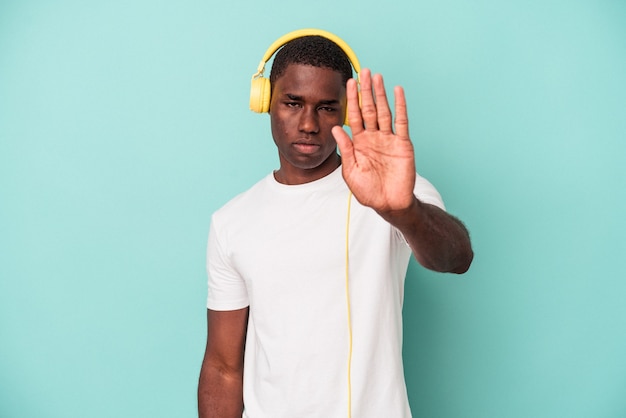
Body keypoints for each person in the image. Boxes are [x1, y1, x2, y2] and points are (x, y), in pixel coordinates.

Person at [198, 31, 473, 418]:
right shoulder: (231, 221)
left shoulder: (394, 192)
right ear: (264, 103)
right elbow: (223, 367)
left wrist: (402, 211)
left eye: (327, 107)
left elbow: (456, 257)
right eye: (293, 103)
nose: (308, 123)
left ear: (347, 110)